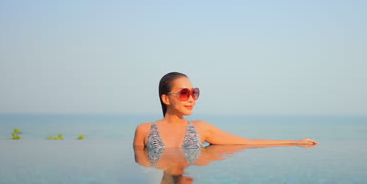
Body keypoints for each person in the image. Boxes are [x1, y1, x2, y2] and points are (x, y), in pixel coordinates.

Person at [133, 72, 318, 149]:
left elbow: (246, 142)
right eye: (183, 93)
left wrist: (294, 142)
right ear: (166, 99)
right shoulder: (144, 130)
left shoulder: (201, 129)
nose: (191, 99)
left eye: (193, 93)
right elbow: (140, 166)